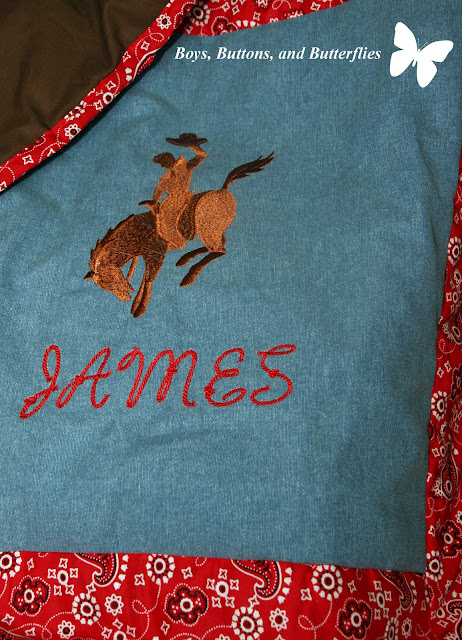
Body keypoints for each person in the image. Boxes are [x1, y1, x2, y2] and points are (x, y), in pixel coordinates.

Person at [139, 133, 207, 251]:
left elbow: (202, 155)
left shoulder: (185, 166)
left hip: (179, 198)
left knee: (165, 218)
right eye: (162, 164)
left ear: (169, 158)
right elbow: (159, 189)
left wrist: (194, 146)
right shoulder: (168, 175)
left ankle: (177, 241)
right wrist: (154, 201)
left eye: (164, 162)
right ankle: (172, 239)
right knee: (162, 216)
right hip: (172, 199)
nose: (163, 165)